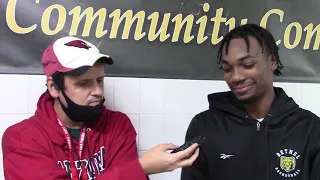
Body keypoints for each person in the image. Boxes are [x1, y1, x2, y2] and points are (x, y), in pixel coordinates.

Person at [2, 36, 199, 180]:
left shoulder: (118, 125)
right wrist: (141, 168)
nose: (97, 91)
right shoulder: (21, 139)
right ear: (54, 87)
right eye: (84, 83)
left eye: (100, 80)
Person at [180, 23, 320, 180]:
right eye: (227, 69)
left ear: (272, 62)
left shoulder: (310, 129)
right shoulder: (204, 126)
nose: (236, 77)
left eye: (247, 65)